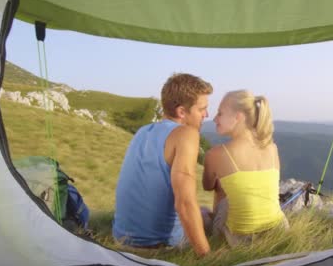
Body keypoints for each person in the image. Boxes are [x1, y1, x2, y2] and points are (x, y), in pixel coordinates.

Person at [113, 73, 212, 256]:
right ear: (182, 112)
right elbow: (184, 203)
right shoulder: (186, 134)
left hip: (120, 240)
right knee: (205, 214)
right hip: (159, 248)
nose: (206, 114)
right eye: (202, 109)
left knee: (199, 212)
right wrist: (208, 257)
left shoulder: (143, 131)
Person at [202, 90, 288, 247]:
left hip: (239, 240)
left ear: (238, 117)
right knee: (235, 187)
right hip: (279, 230)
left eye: (220, 113)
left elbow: (207, 186)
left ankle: (216, 239)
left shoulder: (215, 154)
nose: (214, 119)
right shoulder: (272, 147)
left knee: (208, 203)